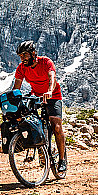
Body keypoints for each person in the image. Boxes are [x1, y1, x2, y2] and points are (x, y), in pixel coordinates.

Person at [11, 40, 67, 174]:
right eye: (20, 56)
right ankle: (42, 150)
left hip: (53, 96)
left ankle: (62, 160)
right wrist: (12, 99)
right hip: (36, 97)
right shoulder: (21, 68)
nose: (22, 59)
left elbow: (52, 78)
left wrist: (49, 91)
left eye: (25, 55)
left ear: (33, 53)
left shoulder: (46, 62)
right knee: (31, 123)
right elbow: (16, 87)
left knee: (56, 126)